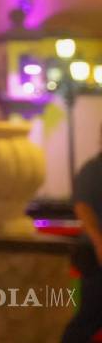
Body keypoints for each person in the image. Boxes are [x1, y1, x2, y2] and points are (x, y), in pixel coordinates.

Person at [63, 126, 102, 343]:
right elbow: (82, 208)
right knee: (89, 318)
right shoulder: (93, 170)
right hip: (97, 259)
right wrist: (99, 243)